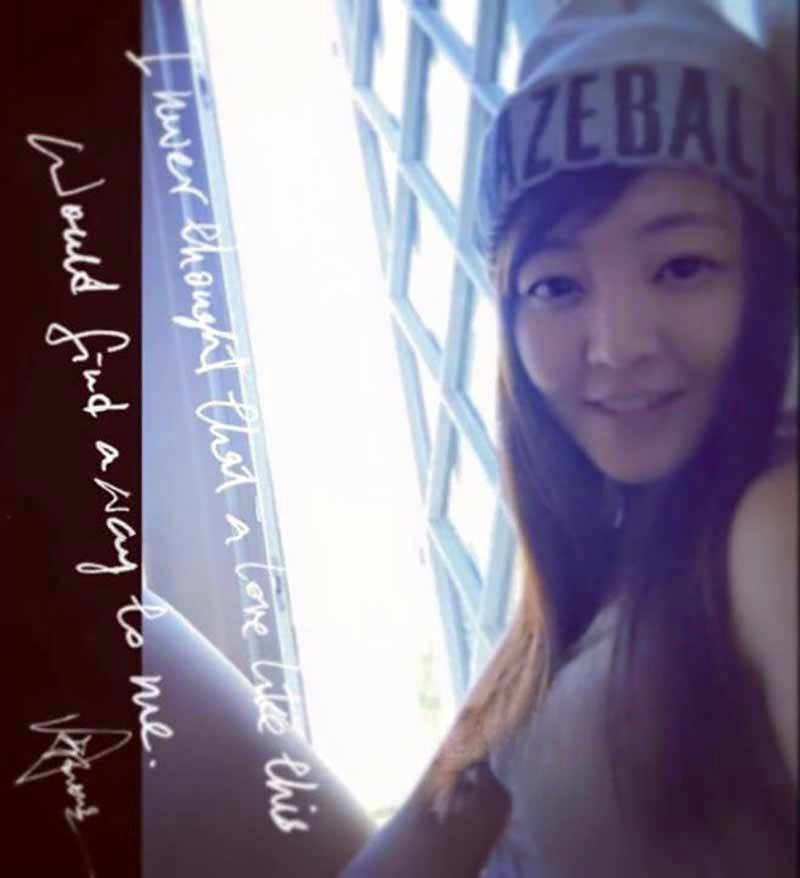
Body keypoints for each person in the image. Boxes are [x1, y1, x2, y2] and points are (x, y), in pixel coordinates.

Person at [341, 0, 797, 875]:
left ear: (772, 287)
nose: (618, 347)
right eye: (556, 286)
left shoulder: (772, 525)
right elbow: (419, 844)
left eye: (683, 266)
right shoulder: (575, 589)